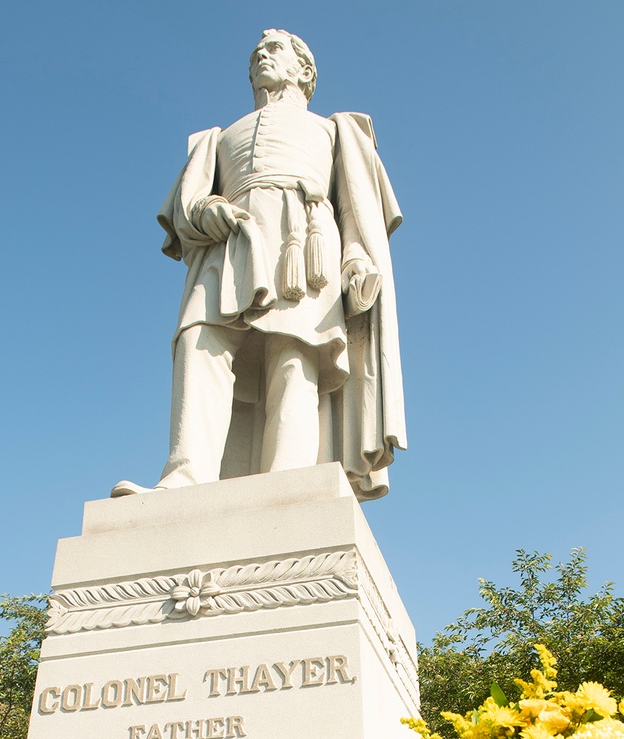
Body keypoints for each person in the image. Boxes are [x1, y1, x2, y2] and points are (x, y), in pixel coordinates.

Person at [112, 29, 405, 503]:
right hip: (227, 243)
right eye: (255, 54)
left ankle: (284, 483)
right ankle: (185, 476)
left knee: (293, 355)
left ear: (304, 70)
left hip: (304, 242)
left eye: (273, 50)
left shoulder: (334, 130)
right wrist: (205, 210)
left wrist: (355, 261)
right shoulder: (218, 137)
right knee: (198, 342)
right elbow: (184, 210)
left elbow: (356, 211)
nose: (260, 57)